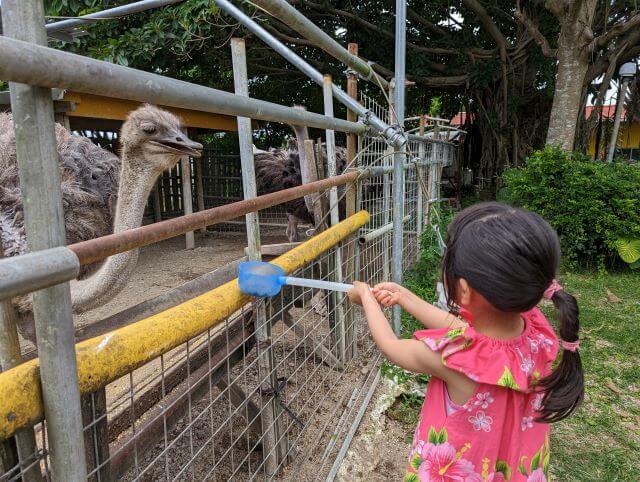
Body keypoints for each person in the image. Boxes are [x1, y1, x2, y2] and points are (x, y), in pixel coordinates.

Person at [348, 202, 583, 482]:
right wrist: (405, 298)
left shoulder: (452, 361)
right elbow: (467, 334)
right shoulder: (536, 334)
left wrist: (365, 296)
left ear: (463, 290)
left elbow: (391, 345)